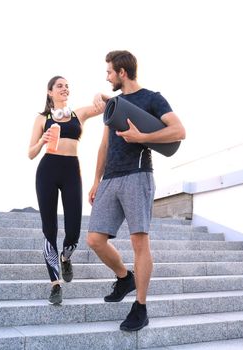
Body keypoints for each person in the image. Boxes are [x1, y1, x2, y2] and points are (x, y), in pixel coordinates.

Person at [86, 50, 186, 331]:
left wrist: (142, 137)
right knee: (94, 239)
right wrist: (96, 180)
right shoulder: (114, 103)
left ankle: (140, 307)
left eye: (109, 72)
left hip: (137, 176)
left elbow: (179, 131)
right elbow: (104, 145)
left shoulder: (152, 98)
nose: (107, 77)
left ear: (122, 72)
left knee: (139, 243)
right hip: (110, 179)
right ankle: (124, 277)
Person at [28, 75, 103, 305]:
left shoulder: (78, 114)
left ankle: (66, 257)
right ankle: (55, 285)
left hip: (72, 171)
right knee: (49, 229)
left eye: (67, 86)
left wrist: (99, 96)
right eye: (59, 86)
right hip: (48, 170)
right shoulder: (42, 118)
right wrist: (42, 140)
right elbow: (30, 153)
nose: (64, 88)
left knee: (73, 230)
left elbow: (103, 106)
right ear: (49, 92)